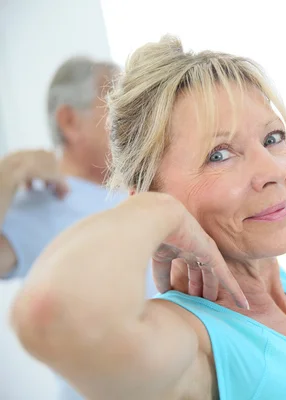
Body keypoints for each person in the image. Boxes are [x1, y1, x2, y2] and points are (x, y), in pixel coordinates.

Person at [10, 36, 286, 400]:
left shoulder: (280, 286)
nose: (272, 170)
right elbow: (49, 314)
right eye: (219, 155)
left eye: (272, 138)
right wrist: (155, 209)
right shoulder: (194, 343)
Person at [0, 56, 157, 400]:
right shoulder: (40, 206)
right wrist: (6, 174)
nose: (136, 116)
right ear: (70, 121)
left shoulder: (144, 192)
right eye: (117, 101)